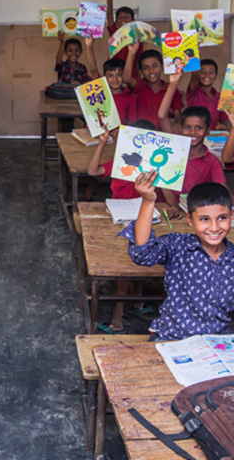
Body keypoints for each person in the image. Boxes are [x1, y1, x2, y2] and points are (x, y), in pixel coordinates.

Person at [121, 175, 234, 343]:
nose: (214, 228)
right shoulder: (178, 246)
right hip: (171, 338)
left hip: (217, 343)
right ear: (190, 220)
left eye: (222, 218)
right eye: (204, 219)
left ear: (232, 215)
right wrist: (148, 201)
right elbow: (142, 253)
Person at [86, 120, 183, 334]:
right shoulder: (123, 162)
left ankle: (149, 298)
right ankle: (119, 307)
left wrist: (173, 206)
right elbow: (93, 170)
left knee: (165, 249)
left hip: (149, 214)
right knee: (127, 253)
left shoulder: (156, 166)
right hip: (121, 214)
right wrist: (102, 143)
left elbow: (166, 190)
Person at [157, 69, 226, 202]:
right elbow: (161, 116)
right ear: (181, 129)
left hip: (196, 212)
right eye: (188, 128)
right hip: (166, 208)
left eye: (199, 128)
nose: (193, 133)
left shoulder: (211, 161)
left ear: (207, 132)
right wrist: (174, 83)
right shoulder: (173, 150)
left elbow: (222, 188)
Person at [122, 48, 183, 125]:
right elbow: (126, 79)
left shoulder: (171, 89)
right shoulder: (140, 85)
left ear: (162, 66)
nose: (151, 71)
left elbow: (178, 116)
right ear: (141, 71)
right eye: (146, 68)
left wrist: (177, 125)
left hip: (163, 134)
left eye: (155, 66)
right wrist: (131, 52)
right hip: (140, 133)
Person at [83, 37, 135, 123]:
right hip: (98, 133)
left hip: (119, 135)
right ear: (104, 77)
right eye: (110, 76)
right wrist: (89, 47)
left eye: (119, 75)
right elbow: (93, 69)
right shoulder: (100, 90)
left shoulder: (130, 97)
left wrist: (120, 131)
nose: (115, 79)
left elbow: (132, 123)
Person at [185, 58, 228, 130]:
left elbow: (224, 120)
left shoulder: (220, 97)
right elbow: (194, 76)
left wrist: (222, 126)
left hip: (212, 136)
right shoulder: (193, 92)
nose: (207, 75)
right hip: (194, 133)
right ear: (197, 73)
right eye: (203, 72)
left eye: (211, 72)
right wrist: (194, 59)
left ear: (216, 76)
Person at [104, 0, 138, 64]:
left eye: (126, 17)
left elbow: (139, 60)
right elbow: (109, 13)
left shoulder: (137, 37)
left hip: (131, 74)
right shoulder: (114, 32)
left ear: (133, 21)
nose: (123, 20)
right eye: (120, 17)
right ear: (116, 22)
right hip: (114, 71)